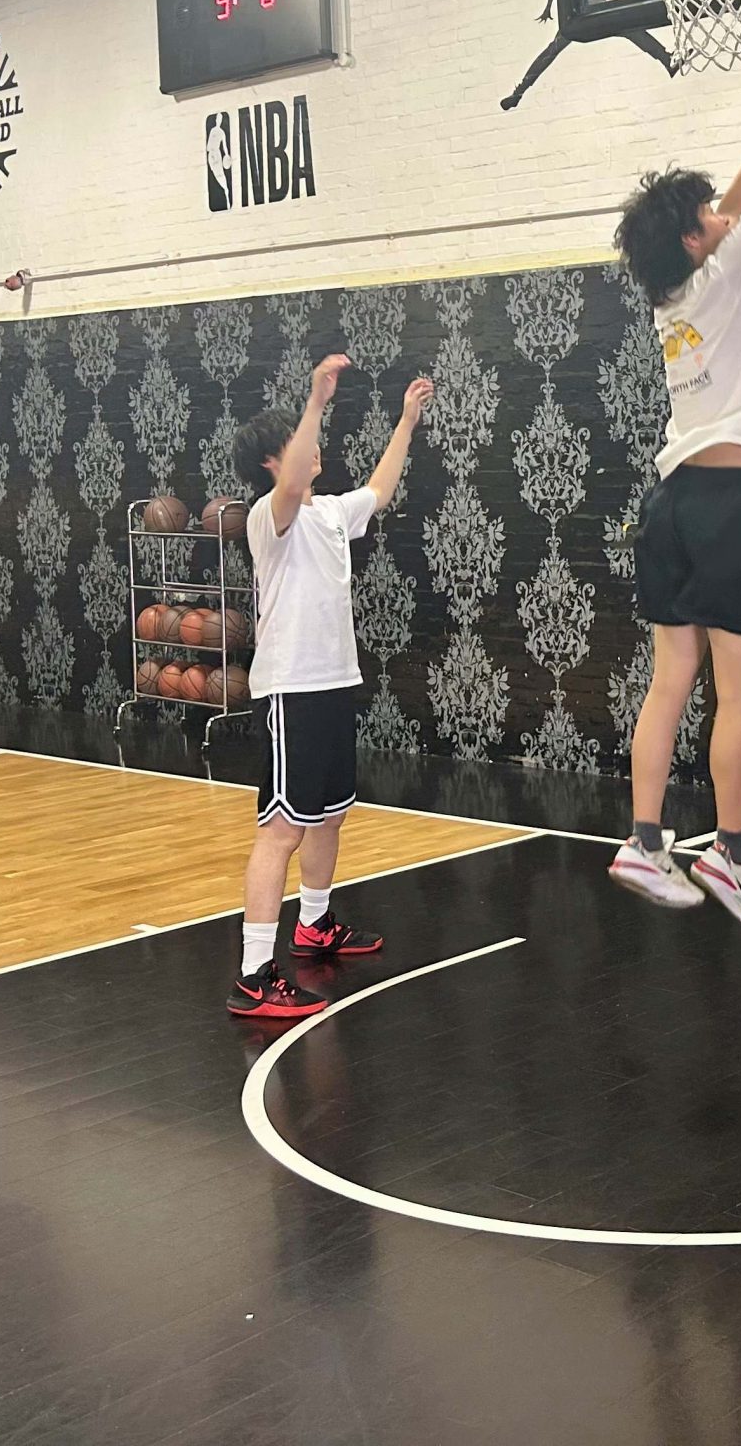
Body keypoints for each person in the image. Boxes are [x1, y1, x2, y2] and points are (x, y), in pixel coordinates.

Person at [606, 3, 741, 926]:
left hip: (671, 507)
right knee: (740, 689)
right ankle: (731, 855)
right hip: (732, 504)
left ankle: (645, 840)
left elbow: (736, 190)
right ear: (698, 240)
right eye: (705, 213)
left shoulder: (676, 294)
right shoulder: (729, 271)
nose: (719, 210)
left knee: (670, 681)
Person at [225, 356, 434, 1018]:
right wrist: (315, 401)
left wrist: (405, 422)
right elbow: (291, 483)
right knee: (282, 828)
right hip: (290, 690)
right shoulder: (269, 516)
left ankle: (315, 925)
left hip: (334, 684)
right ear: (272, 461)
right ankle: (256, 972)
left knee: (330, 812)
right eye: (298, 443)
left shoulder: (331, 515)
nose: (312, 451)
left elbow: (380, 488)